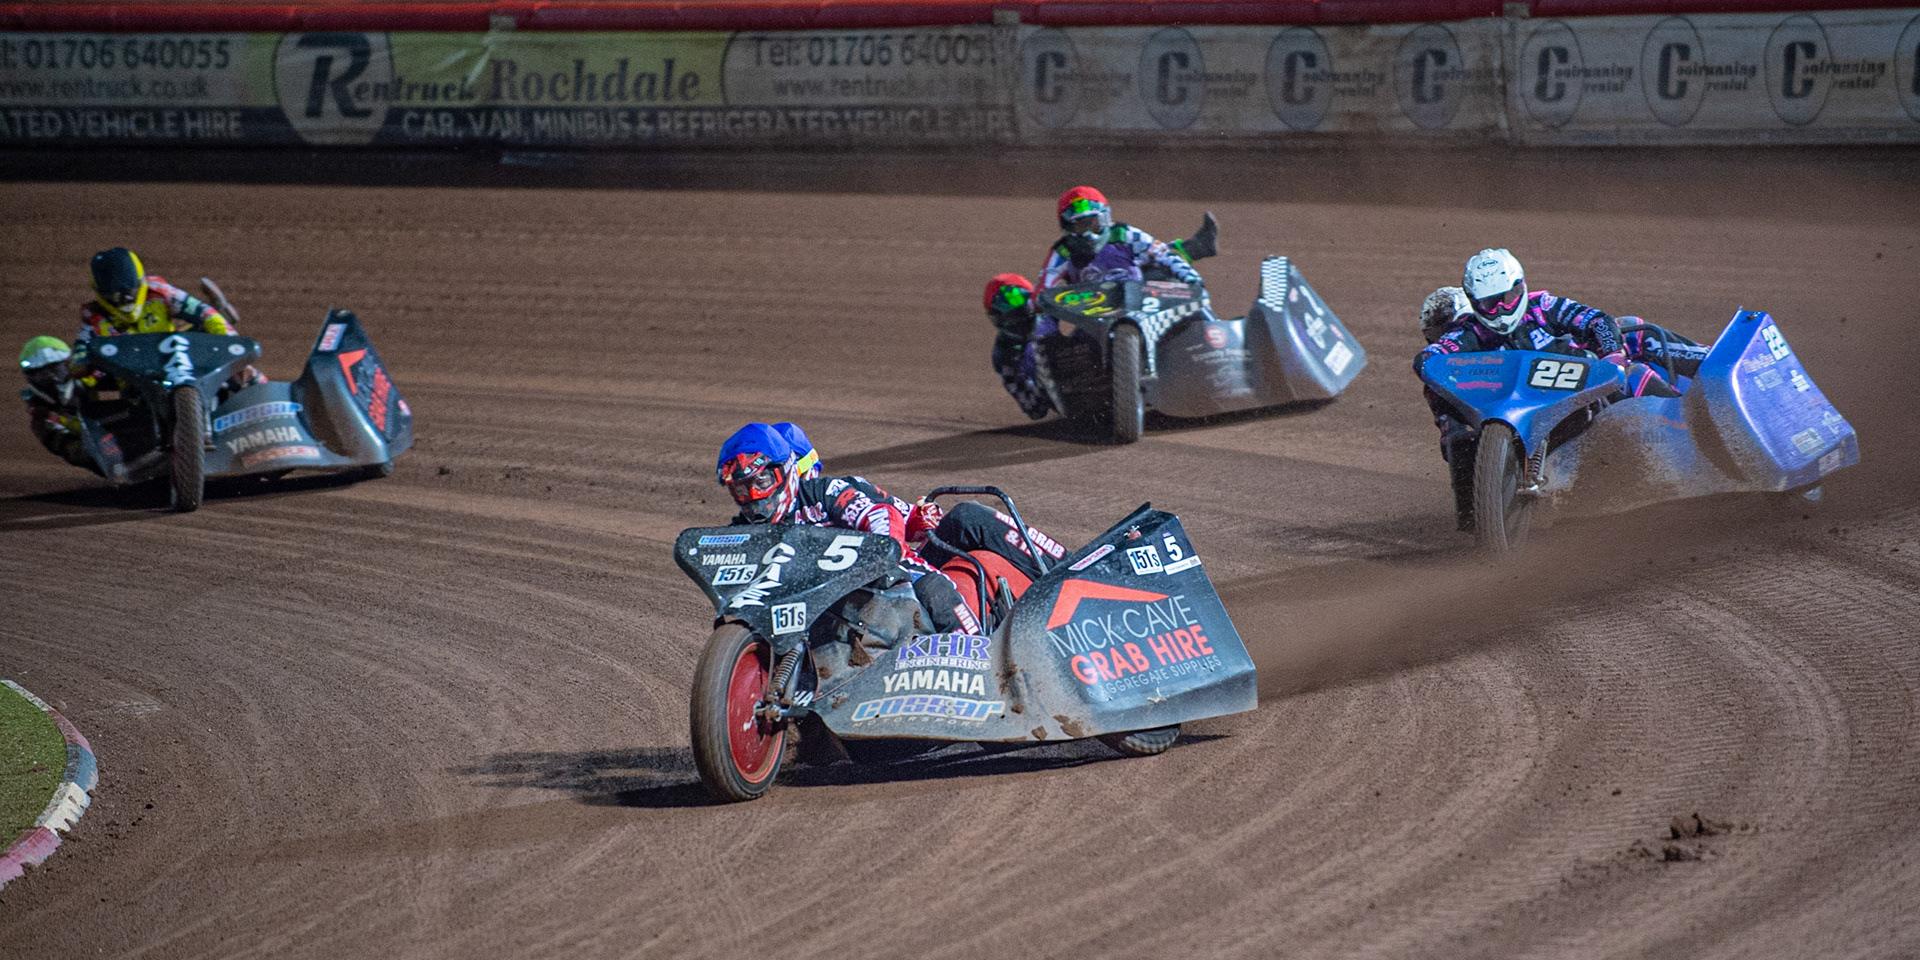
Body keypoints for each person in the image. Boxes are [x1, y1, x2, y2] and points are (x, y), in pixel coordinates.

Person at [1414, 249, 1710, 529]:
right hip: (1527, 426)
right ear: (1473, 306)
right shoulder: (1463, 344)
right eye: (1491, 304)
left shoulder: (1541, 307)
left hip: (1583, 394)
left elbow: (1598, 320)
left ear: (1521, 288)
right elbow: (1435, 377)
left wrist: (1612, 356)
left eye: (1508, 298)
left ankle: (1709, 376)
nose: (1502, 309)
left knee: (1633, 342)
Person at [716, 423, 1065, 633]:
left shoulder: (832, 490)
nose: (754, 496)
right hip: (820, 602)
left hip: (888, 574)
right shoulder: (740, 531)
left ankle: (1072, 566)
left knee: (963, 526)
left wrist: (910, 527)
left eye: (761, 482)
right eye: (742, 488)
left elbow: (887, 514)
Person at [74, 247, 265, 391]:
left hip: (178, 358)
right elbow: (80, 350)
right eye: (115, 296)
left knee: (244, 373)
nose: (124, 300)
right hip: (136, 381)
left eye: (128, 293)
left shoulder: (158, 291)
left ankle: (275, 408)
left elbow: (203, 312)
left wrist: (230, 343)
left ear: (140, 281)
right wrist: (80, 362)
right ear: (101, 294)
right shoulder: (93, 315)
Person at [1039, 186, 1210, 291]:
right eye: (1080, 226)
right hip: (1091, 316)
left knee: (1168, 276)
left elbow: (1164, 254)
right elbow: (1043, 290)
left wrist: (1191, 279)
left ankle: (1216, 334)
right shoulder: (1062, 252)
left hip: (1141, 302)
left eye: (1093, 224)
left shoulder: (1124, 234)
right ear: (1067, 227)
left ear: (1106, 219)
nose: (1090, 235)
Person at [18, 336, 94, 471]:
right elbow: (71, 451)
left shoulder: (87, 378)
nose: (53, 378)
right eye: (43, 375)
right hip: (104, 453)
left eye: (56, 370)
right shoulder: (40, 415)